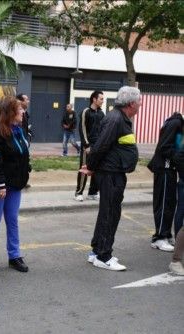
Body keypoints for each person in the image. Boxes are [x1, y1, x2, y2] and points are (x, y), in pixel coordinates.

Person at [80, 86, 140, 271]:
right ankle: (103, 256)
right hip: (111, 174)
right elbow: (101, 146)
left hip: (113, 173)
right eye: (139, 102)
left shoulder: (120, 118)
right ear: (131, 103)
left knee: (108, 212)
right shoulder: (115, 119)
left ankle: (97, 251)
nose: (140, 106)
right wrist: (91, 167)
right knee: (110, 214)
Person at [0, 96, 30, 273]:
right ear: (11, 112)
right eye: (20, 109)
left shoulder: (19, 129)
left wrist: (25, 172)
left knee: (12, 220)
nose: (23, 111)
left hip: (15, 184)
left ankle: (14, 256)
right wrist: (1, 184)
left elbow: (23, 155)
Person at [147, 112, 183, 252]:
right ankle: (159, 238)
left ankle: (166, 234)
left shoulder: (178, 124)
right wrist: (178, 158)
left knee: (169, 203)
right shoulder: (175, 123)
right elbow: (164, 147)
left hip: (170, 169)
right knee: (163, 203)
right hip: (165, 168)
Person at [75, 90, 104, 202]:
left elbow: (103, 131)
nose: (102, 100)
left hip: (98, 146)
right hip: (87, 146)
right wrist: (86, 145)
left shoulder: (102, 114)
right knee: (84, 169)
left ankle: (92, 192)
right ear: (94, 99)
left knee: (96, 169)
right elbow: (82, 129)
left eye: (103, 99)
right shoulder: (85, 112)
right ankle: (78, 192)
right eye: (101, 98)